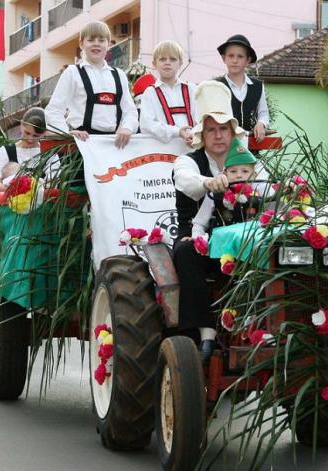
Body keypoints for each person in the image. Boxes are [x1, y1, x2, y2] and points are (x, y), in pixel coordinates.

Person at [172, 80, 248, 360]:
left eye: (224, 129)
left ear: (232, 132)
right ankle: (204, 335)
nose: (218, 136)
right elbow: (187, 183)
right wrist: (210, 183)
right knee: (185, 251)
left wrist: (286, 188)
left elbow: (266, 186)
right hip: (198, 239)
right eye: (211, 130)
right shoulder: (187, 161)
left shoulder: (246, 161)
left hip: (240, 241)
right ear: (202, 134)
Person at [44, 21, 138, 150]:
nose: (96, 44)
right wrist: (66, 134)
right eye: (91, 40)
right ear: (81, 43)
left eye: (101, 40)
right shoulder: (72, 73)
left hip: (114, 146)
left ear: (109, 44)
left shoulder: (119, 75)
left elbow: (130, 111)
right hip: (82, 146)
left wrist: (127, 128)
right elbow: (53, 110)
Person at [191, 140, 259, 238]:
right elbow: (199, 223)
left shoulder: (259, 193)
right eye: (233, 171)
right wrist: (198, 239)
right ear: (225, 174)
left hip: (252, 244)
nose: (239, 175)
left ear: (254, 175)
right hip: (223, 245)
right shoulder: (215, 194)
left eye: (245, 171)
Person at [140, 40, 199, 145]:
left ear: (180, 63)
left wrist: (193, 135)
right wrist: (177, 132)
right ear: (154, 64)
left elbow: (200, 119)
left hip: (192, 148)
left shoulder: (191, 89)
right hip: (162, 151)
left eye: (172, 59)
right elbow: (147, 125)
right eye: (162, 59)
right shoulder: (150, 93)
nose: (167, 62)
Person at [216, 34, 269, 143]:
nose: (235, 60)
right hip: (224, 148)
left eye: (240, 56)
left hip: (252, 148)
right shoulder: (217, 86)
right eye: (231, 56)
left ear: (247, 60)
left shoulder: (257, 86)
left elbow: (263, 113)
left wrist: (261, 123)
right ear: (223, 58)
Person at [0, 108, 49, 191]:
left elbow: (51, 186)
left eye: (36, 136)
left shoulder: (48, 153)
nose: (30, 139)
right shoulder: (5, 152)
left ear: (44, 132)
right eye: (27, 133)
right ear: (22, 124)